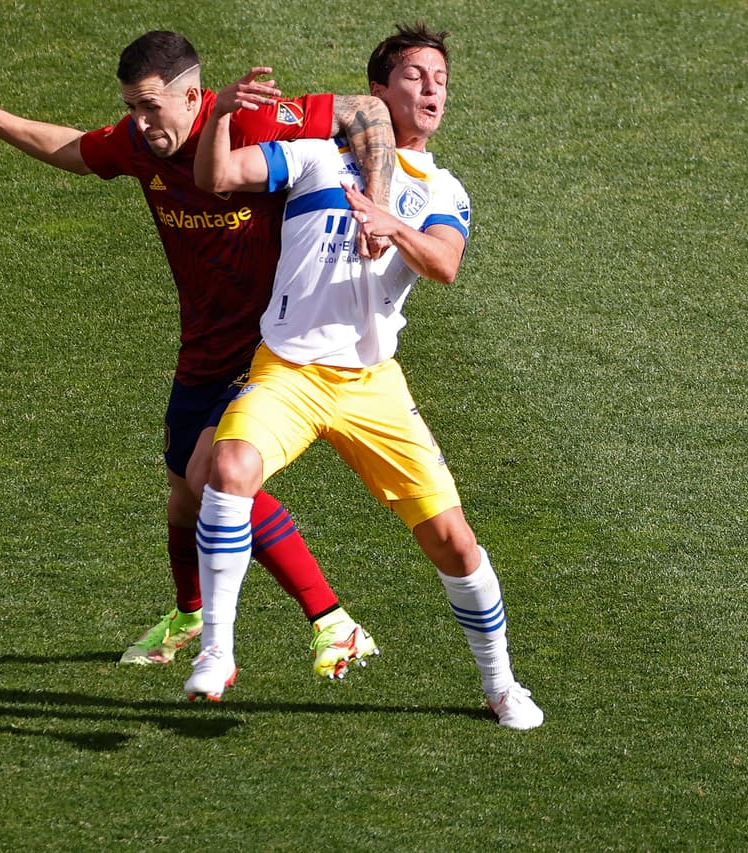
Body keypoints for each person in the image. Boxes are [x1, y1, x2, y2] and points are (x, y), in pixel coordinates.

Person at [0, 32, 397, 676]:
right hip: (203, 343)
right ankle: (189, 615)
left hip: (270, 342)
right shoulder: (142, 142)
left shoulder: (250, 119)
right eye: (131, 108)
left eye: (149, 106)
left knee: (214, 479)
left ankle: (333, 621)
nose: (138, 122)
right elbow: (74, 149)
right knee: (181, 495)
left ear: (195, 96)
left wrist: (381, 208)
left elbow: (367, 112)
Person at [186, 22, 544, 729]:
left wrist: (392, 223)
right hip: (288, 369)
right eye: (414, 75)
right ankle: (218, 652)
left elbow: (444, 263)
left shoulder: (443, 186)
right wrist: (222, 114)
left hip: (372, 384)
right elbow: (217, 178)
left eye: (440, 78)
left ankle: (502, 685)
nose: (432, 88)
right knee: (227, 468)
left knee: (454, 540)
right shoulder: (316, 157)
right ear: (377, 92)